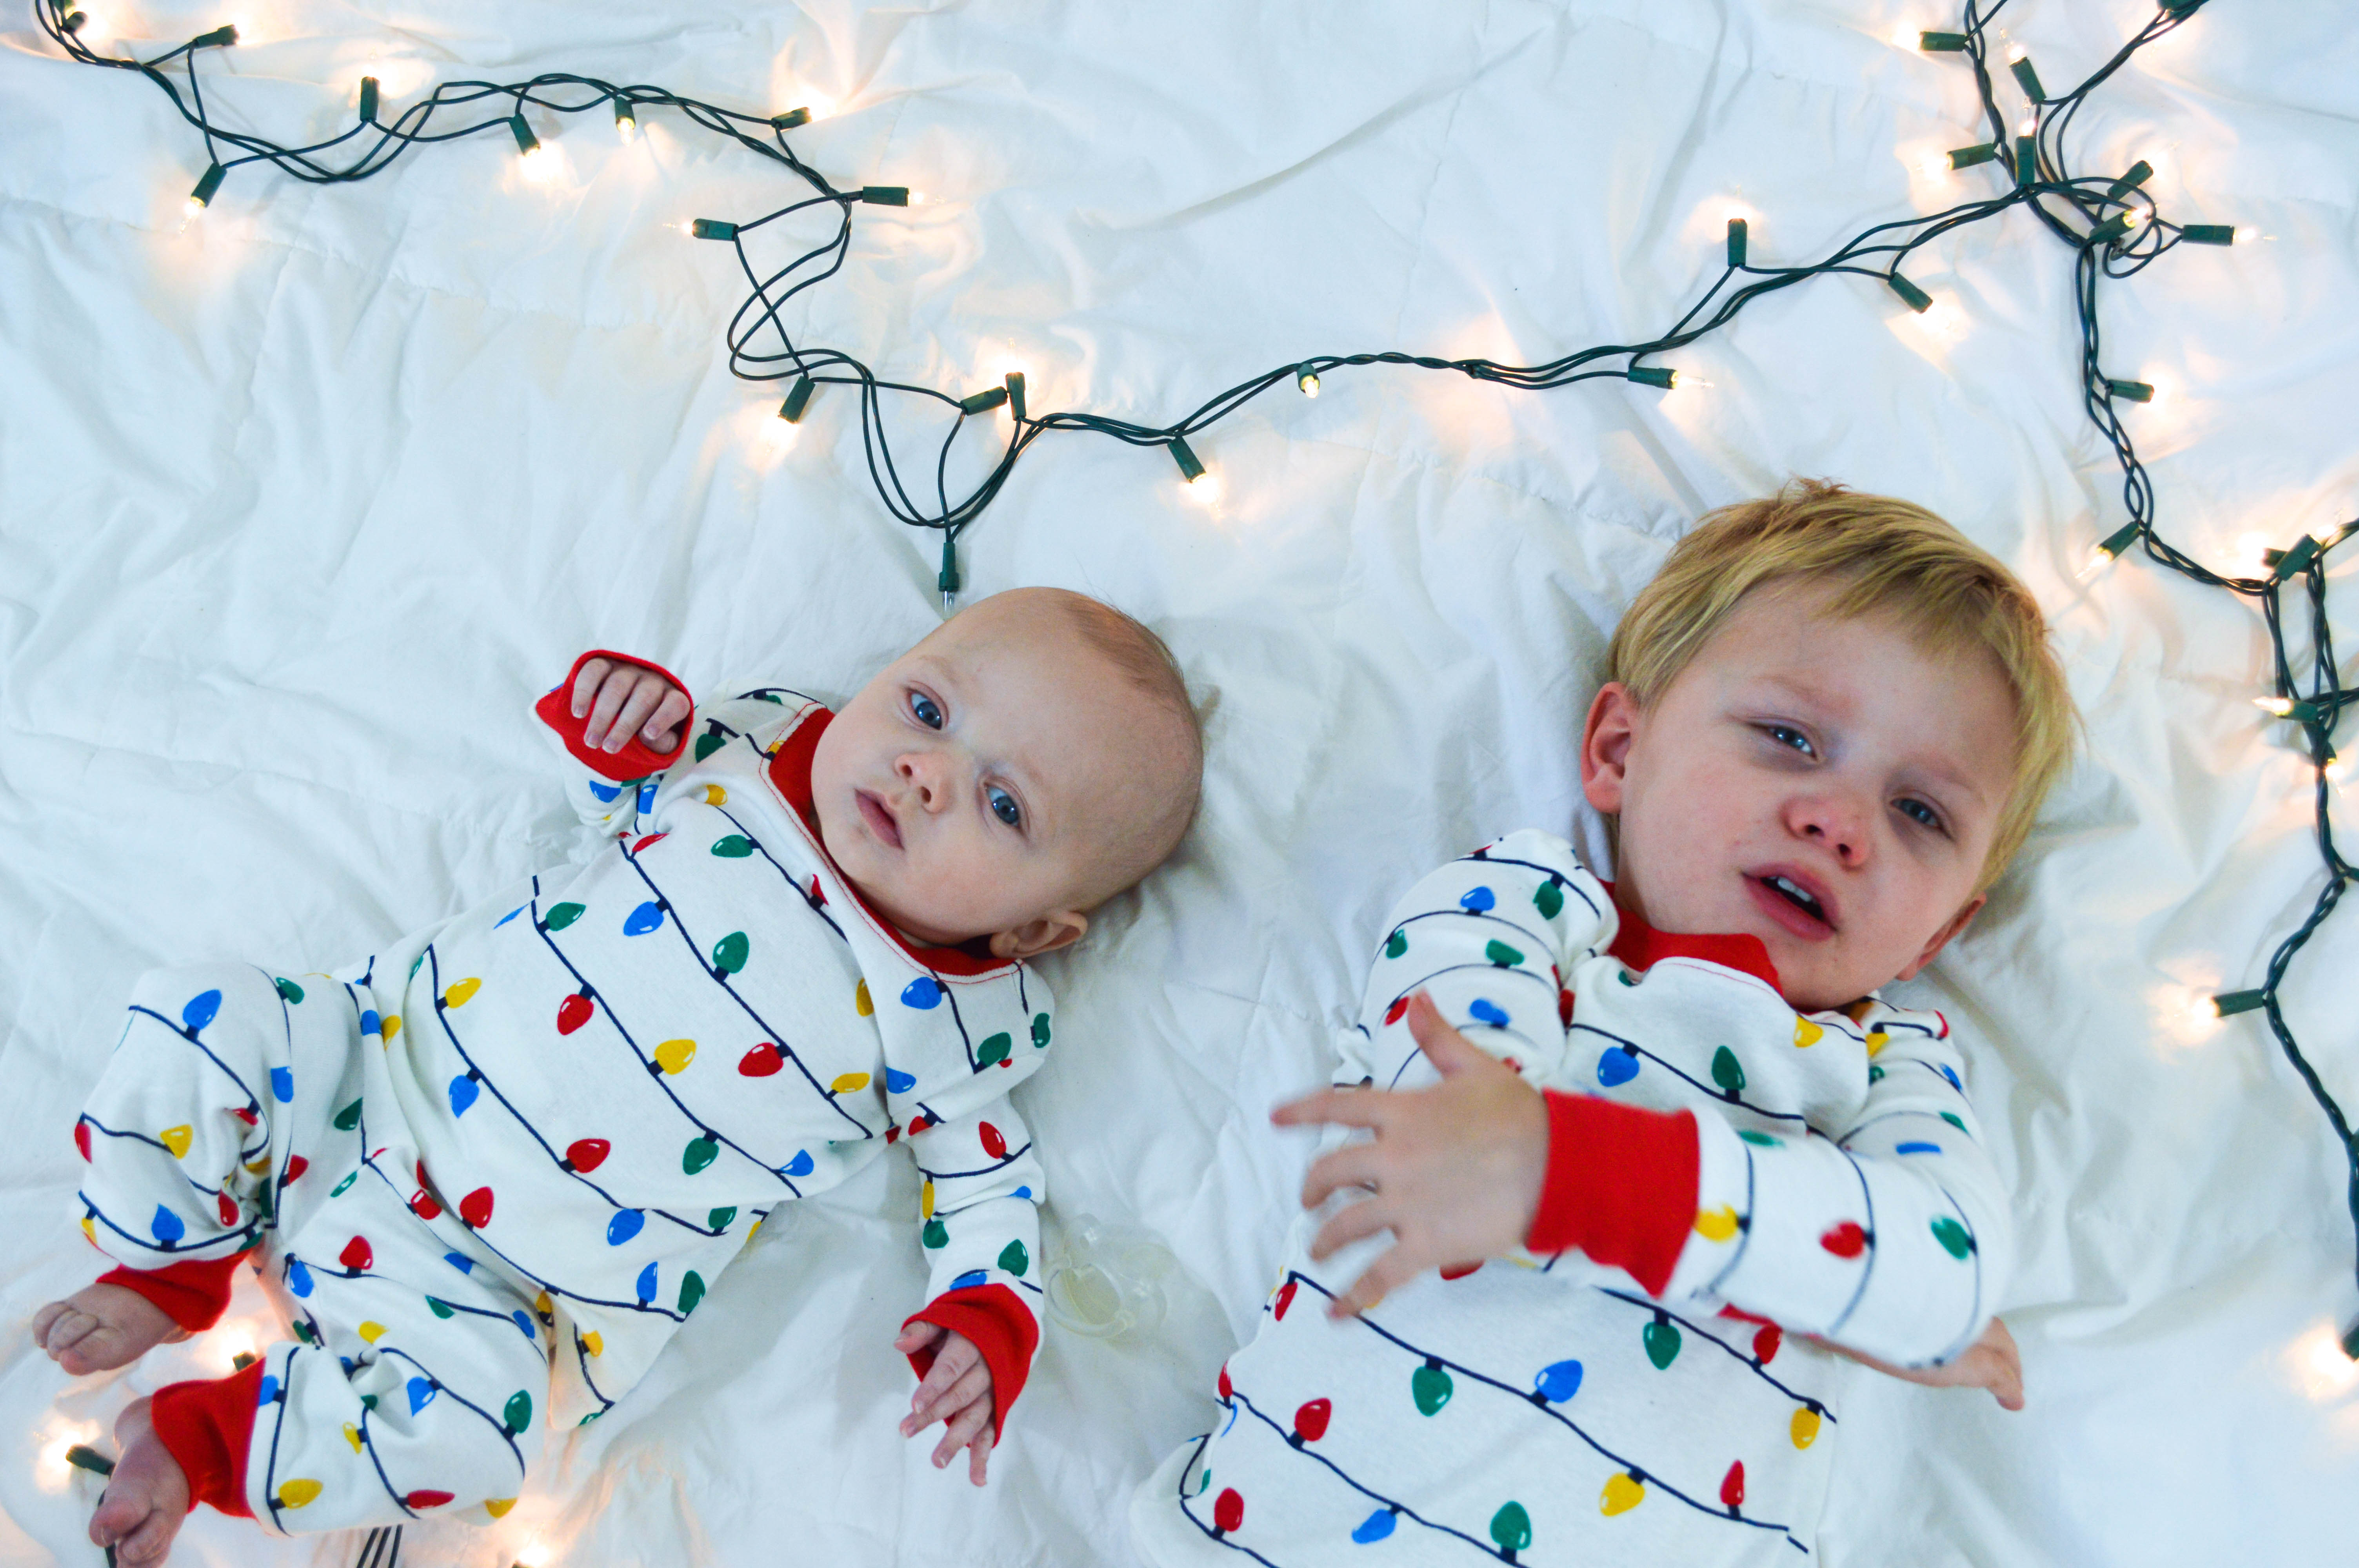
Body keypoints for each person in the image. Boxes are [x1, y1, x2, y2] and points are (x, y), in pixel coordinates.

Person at [36, 586, 1202, 1564]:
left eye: (1003, 804)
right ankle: (175, 1265)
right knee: (201, 1018)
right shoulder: (744, 756)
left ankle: (201, 1445)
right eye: (928, 708)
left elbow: (989, 1183)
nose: (923, 773)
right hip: (363, 1071)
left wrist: (990, 1313)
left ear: (1035, 935)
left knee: (475, 1451)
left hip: (502, 1289)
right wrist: (625, 730)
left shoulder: (959, 1029)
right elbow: (612, 802)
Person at [1132, 481, 2070, 1566]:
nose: (1840, 821)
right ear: (1621, 753)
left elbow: (1946, 1272)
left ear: (1931, 942)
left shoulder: (1886, 1073)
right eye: (1788, 738)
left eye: (1922, 813)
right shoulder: (1513, 912)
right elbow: (1456, 1132)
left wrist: (1572, 1173)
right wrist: (1820, 1266)